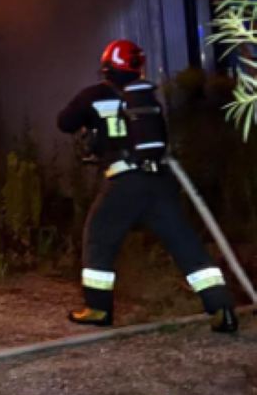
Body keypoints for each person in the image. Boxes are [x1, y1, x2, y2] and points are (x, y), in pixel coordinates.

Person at [58, 39, 238, 332]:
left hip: (125, 182)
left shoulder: (93, 95)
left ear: (106, 67)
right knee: (186, 244)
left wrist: (93, 127)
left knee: (98, 236)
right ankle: (222, 307)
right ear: (138, 66)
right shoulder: (149, 97)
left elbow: (64, 123)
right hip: (161, 181)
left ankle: (97, 308)